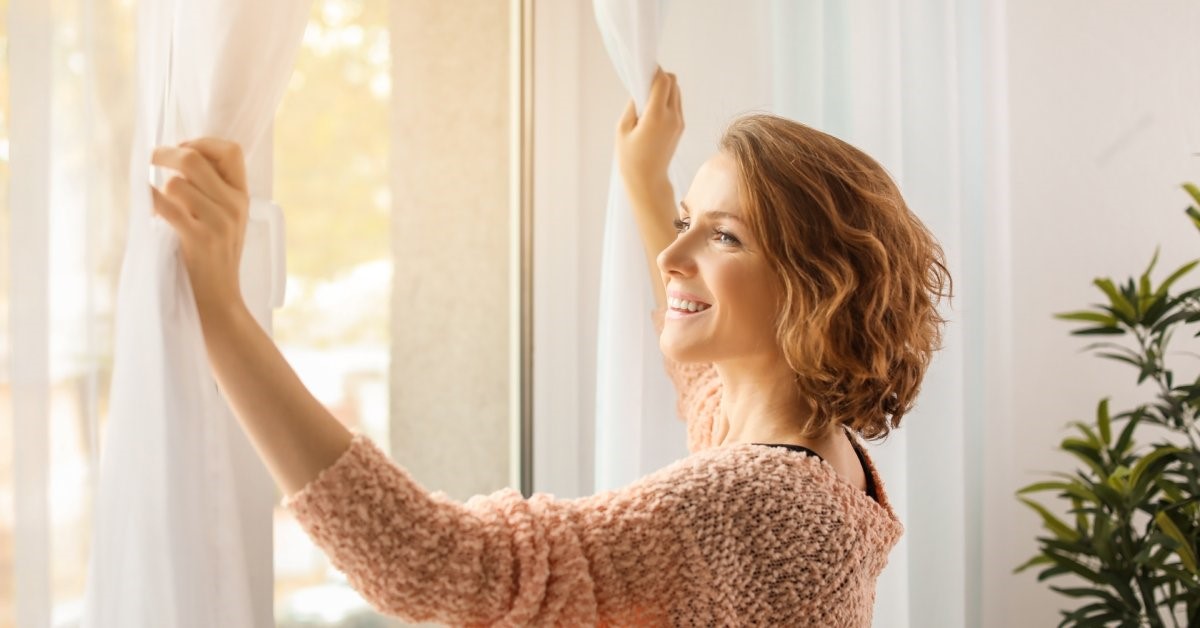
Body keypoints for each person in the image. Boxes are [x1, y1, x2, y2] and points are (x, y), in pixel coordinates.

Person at [149, 68, 949, 626]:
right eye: (684, 223)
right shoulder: (821, 453)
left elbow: (433, 561)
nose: (675, 256)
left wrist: (224, 313)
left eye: (726, 236)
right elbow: (703, 381)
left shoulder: (748, 501)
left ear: (814, 288)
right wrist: (646, 185)